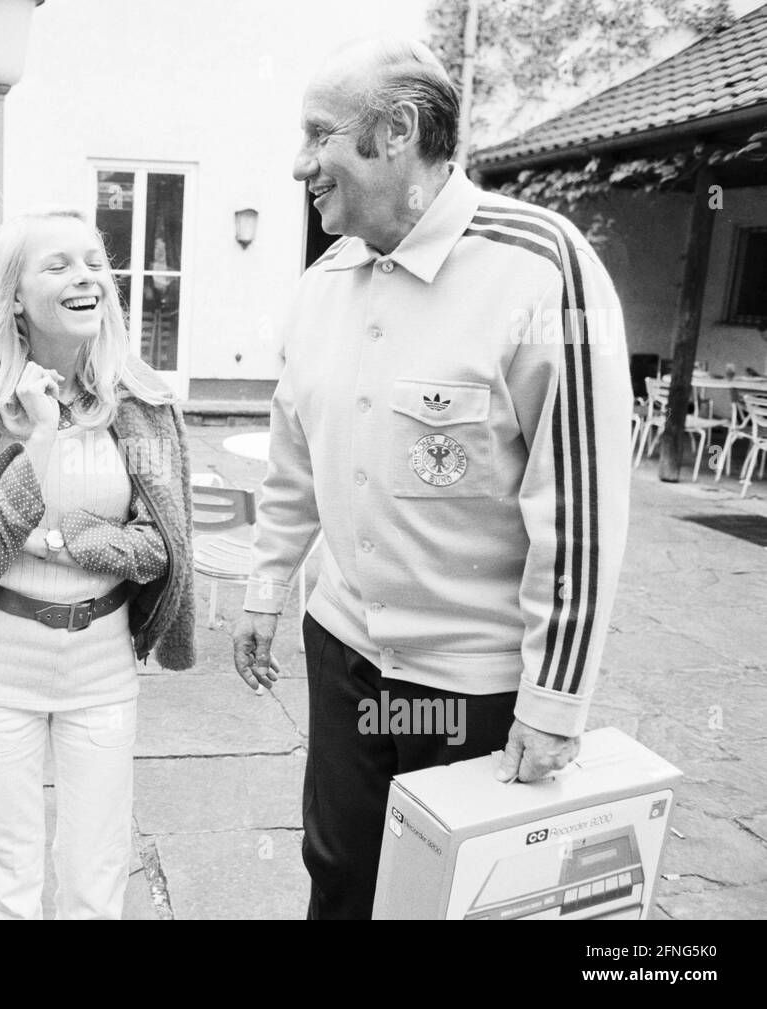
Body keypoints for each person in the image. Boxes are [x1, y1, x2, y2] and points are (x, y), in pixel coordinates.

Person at [230, 37, 632, 919]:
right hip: (345, 659)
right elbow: (294, 459)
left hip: (467, 688)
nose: (301, 163)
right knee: (338, 868)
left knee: (448, 899)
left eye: (319, 135)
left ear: (400, 130)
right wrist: (266, 591)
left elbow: (582, 509)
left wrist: (554, 701)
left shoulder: (541, 269)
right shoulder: (323, 283)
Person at [0, 207, 195, 919]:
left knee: (96, 869)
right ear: (16, 295)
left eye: (94, 261)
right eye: (58, 264)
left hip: (101, 672)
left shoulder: (141, 404)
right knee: (6, 871)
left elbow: (160, 546)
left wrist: (64, 540)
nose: (86, 275)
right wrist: (43, 439)